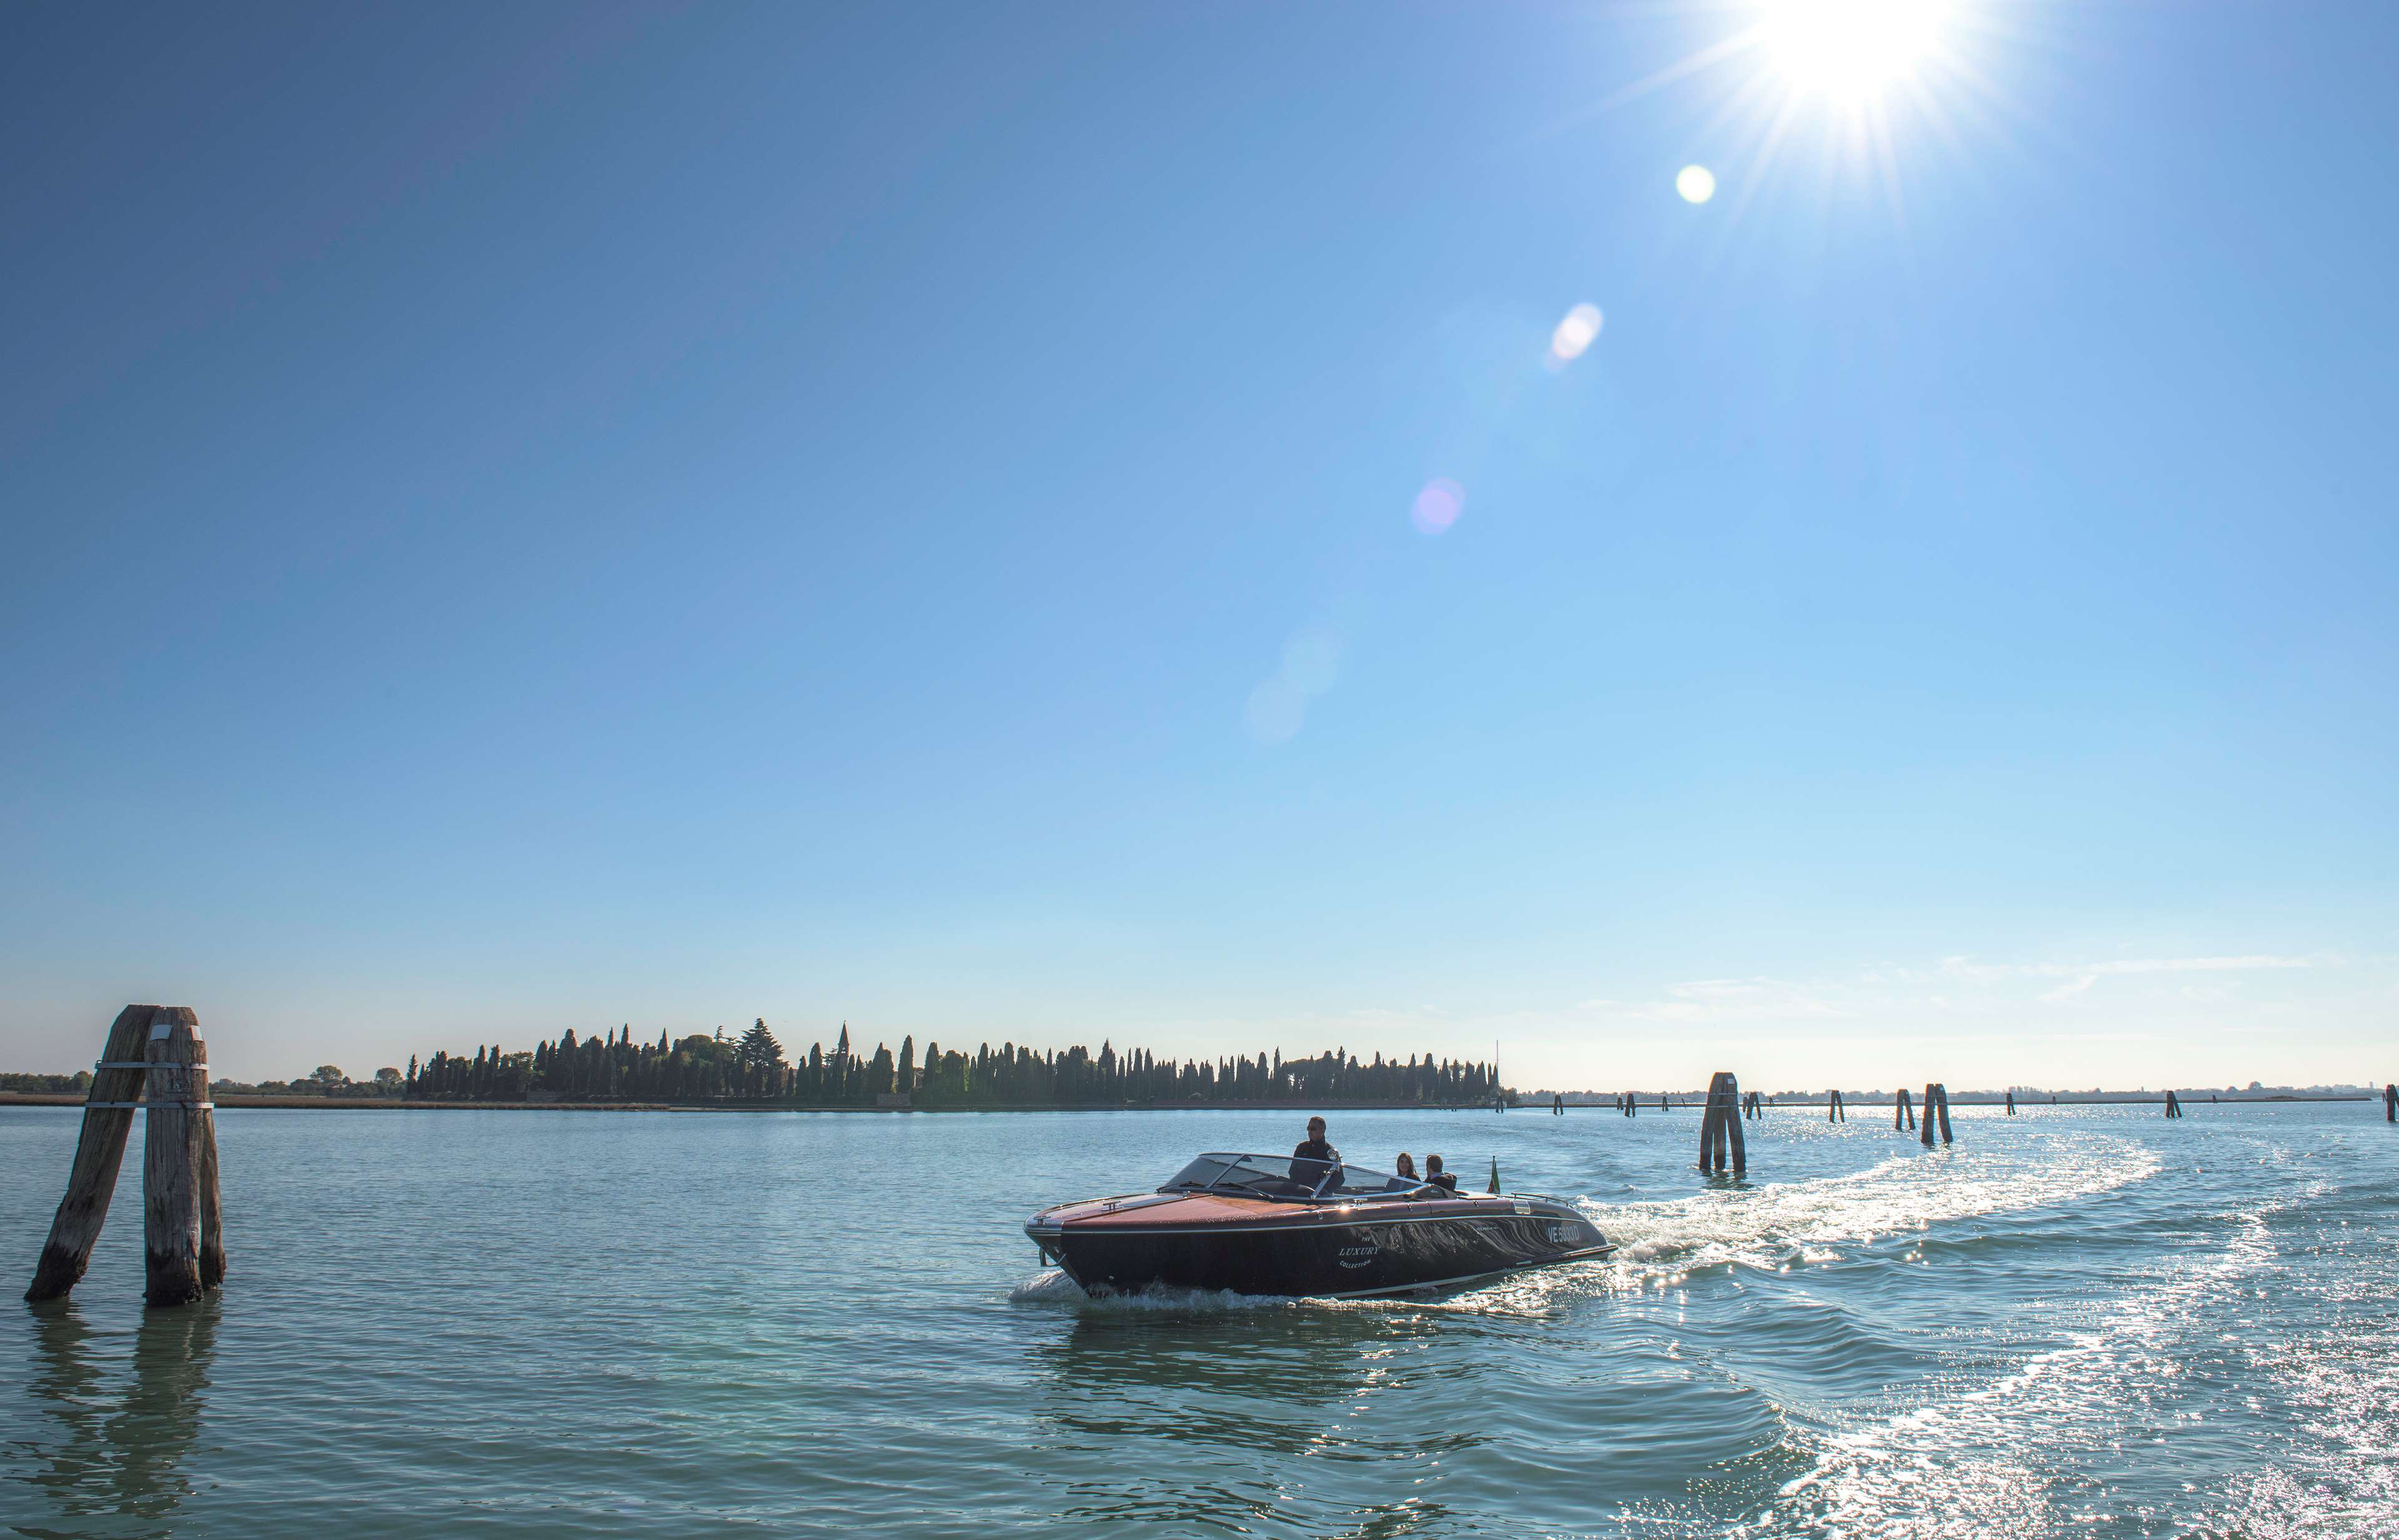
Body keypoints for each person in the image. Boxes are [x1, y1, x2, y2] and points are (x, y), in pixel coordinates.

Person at [1291, 1116, 1339, 1187]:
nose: (1310, 1131)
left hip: (1322, 1193)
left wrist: (1321, 1189)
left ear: (1322, 1130)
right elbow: (1292, 1172)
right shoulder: (1301, 1148)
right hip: (1301, 1190)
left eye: (1313, 1129)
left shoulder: (1331, 1152)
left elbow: (1339, 1178)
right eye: (1308, 1129)